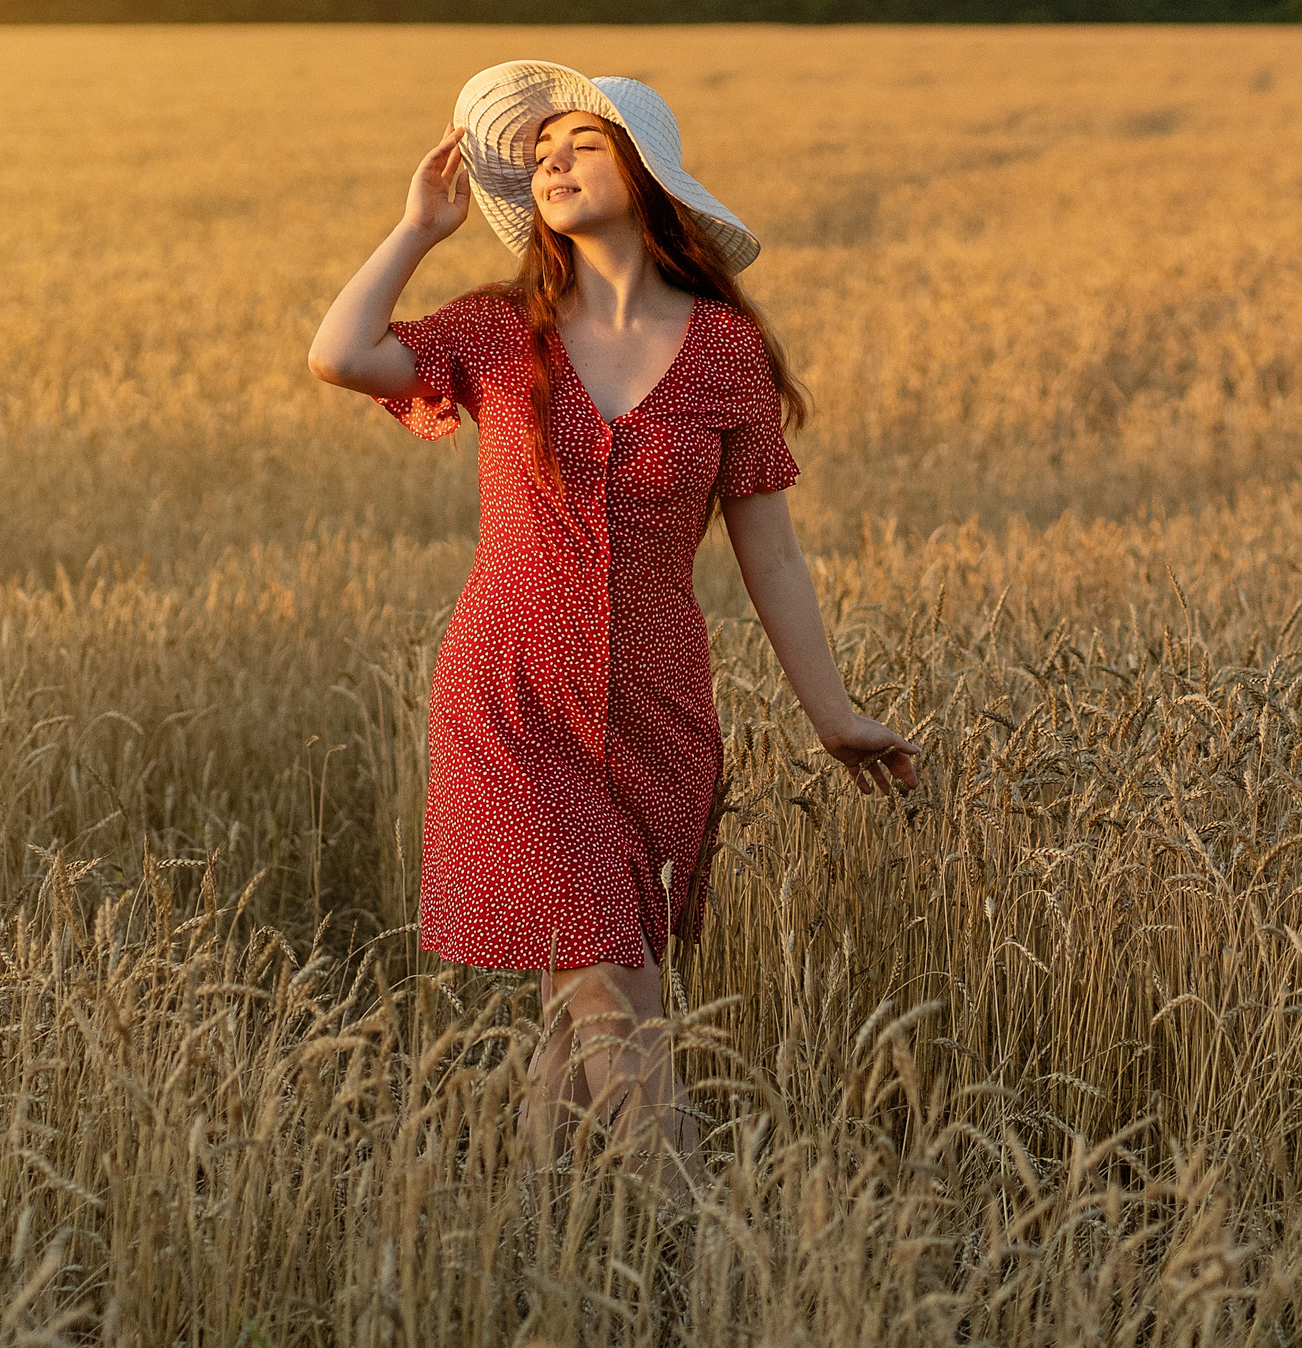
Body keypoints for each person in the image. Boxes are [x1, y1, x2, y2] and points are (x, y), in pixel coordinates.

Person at [307, 60, 920, 1180]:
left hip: (655, 708)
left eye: (579, 144)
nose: (551, 163)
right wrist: (416, 230)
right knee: (611, 984)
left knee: (586, 990)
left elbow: (770, 553)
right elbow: (341, 355)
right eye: (537, 155)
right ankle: (693, 1243)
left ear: (646, 172)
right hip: (512, 694)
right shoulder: (498, 334)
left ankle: (556, 1248)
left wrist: (834, 716)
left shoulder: (725, 350)